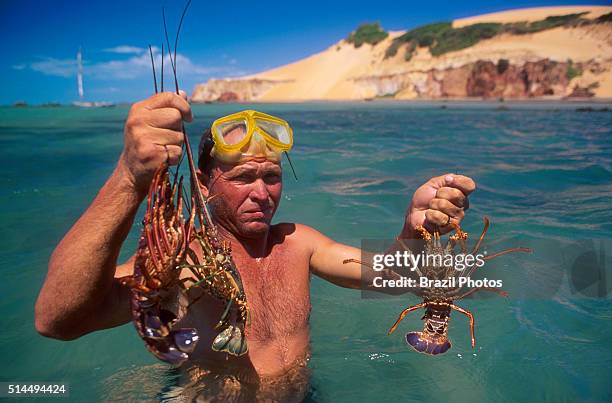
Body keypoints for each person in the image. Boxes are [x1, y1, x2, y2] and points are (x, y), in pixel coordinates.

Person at [35, 92, 475, 400]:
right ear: (206, 183)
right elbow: (59, 320)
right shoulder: (186, 259)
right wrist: (130, 177)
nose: (262, 193)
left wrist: (414, 229)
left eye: (272, 177)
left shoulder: (298, 242)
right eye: (244, 178)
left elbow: (389, 277)